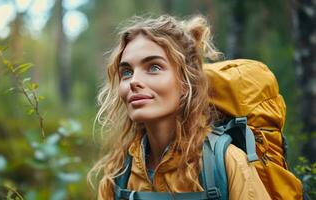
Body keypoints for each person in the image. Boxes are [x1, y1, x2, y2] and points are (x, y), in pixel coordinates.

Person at [88, 15, 271, 200]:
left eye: (153, 68)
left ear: (185, 82)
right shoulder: (119, 176)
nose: (133, 81)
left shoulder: (225, 163)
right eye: (127, 72)